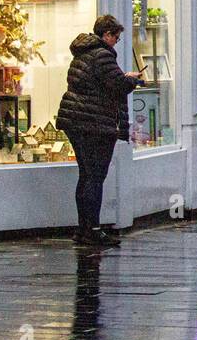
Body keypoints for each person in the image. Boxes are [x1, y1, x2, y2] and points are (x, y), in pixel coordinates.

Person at [56, 15, 143, 247]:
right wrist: (132, 80)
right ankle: (93, 229)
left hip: (75, 119)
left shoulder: (83, 52)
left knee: (86, 176)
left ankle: (84, 228)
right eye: (116, 36)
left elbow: (100, 82)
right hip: (93, 123)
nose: (117, 40)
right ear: (106, 34)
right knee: (95, 177)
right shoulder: (102, 54)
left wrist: (122, 78)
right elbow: (117, 85)